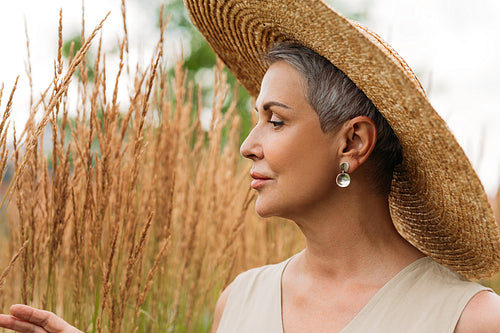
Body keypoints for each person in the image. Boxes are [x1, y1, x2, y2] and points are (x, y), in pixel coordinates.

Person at [1, 0, 500, 332]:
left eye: (275, 121)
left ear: (352, 141)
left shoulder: (469, 319)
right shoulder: (239, 301)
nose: (247, 145)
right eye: (254, 119)